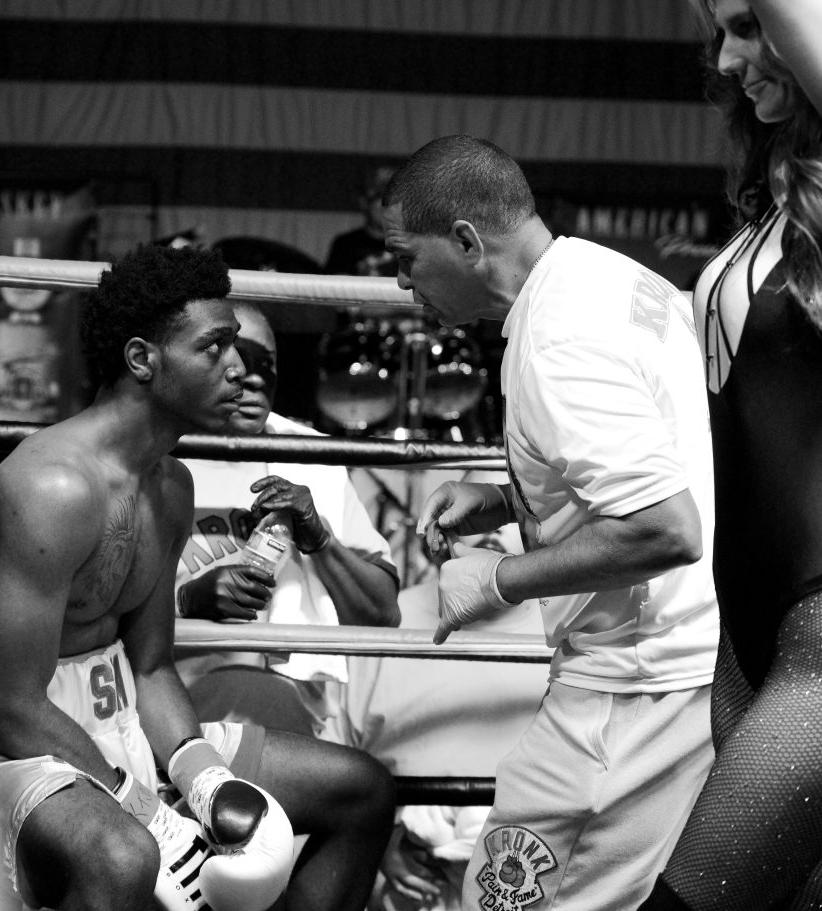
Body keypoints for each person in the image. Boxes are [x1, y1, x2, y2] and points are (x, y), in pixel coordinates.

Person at [0, 245, 395, 911]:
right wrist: (143, 806)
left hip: (115, 716)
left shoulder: (170, 485)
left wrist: (202, 777)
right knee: (124, 856)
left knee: (361, 788)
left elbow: (150, 668)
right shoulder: (54, 488)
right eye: (215, 347)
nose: (239, 368)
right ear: (142, 360)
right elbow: (8, 704)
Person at [381, 135, 719, 911]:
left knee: (502, 900)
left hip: (629, 688)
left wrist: (500, 578)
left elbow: (665, 526)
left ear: (466, 240)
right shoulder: (606, 276)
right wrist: (513, 495)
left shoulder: (556, 339)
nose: (401, 282)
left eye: (407, 258)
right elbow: (661, 452)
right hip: (677, 666)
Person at [639, 3, 822, 909]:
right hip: (750, 640)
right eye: (717, 34)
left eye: (747, 24)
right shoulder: (783, 207)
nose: (729, 58)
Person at [175, 300, 401, 738]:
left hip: (293, 724)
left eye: (268, 364)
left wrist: (320, 539)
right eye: (239, 356)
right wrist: (185, 602)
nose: (255, 377)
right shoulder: (152, 457)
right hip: (173, 720)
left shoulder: (312, 458)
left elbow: (382, 616)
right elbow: (85, 613)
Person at [326, 515, 550, 911]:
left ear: (536, 532)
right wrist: (376, 839)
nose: (495, 527)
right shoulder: (385, 620)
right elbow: (333, 752)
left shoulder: (571, 630)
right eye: (477, 513)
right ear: (440, 531)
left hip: (541, 865)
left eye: (509, 512)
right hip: (402, 876)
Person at [324, 165, 398, 277]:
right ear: (364, 203)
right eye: (378, 197)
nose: (386, 208)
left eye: (393, 200)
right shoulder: (345, 244)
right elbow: (335, 284)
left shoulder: (409, 244)